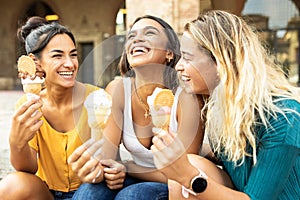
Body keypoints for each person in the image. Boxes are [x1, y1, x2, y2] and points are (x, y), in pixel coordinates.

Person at [151, 10, 300, 200]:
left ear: (222, 62)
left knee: (186, 173)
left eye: (187, 58)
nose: (178, 66)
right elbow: (237, 161)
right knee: (190, 166)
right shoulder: (220, 109)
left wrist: (188, 176)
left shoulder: (284, 117)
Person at [68, 15, 205, 199]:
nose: (137, 39)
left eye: (149, 33)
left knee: (132, 196)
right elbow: (108, 158)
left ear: (169, 52)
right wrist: (104, 170)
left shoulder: (187, 98)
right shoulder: (117, 90)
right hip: (132, 175)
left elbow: (183, 174)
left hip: (173, 185)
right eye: (131, 36)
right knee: (89, 193)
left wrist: (127, 167)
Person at [0, 16, 111, 200]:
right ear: (35, 62)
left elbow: (110, 159)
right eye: (58, 55)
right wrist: (16, 143)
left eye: (73, 54)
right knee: (12, 185)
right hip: (47, 193)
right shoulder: (29, 104)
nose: (70, 63)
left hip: (92, 190)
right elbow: (27, 170)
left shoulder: (98, 100)